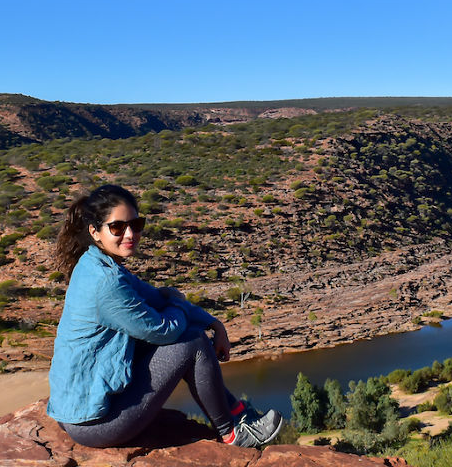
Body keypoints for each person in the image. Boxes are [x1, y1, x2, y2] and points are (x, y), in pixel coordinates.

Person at [46, 184, 282, 448]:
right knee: (191, 342)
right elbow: (163, 330)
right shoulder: (106, 282)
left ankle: (236, 412)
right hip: (95, 424)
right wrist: (179, 305)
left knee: (189, 334)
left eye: (135, 224)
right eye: (117, 227)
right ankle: (233, 435)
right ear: (95, 231)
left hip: (79, 409)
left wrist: (215, 324)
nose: (129, 234)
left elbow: (160, 298)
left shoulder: (97, 264)